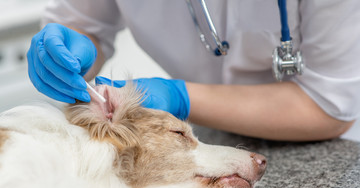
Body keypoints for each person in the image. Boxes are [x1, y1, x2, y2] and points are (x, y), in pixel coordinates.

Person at [27, 0, 360, 141]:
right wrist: (72, 48)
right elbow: (84, 22)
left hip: (328, 146)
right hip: (209, 137)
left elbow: (328, 103)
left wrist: (179, 96)